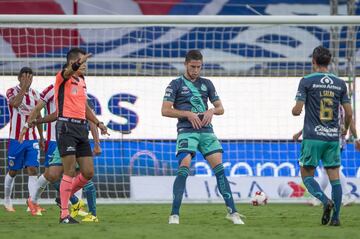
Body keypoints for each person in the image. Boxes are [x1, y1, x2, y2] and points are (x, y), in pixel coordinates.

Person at [161, 50, 244, 225]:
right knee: (184, 165)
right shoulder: (175, 84)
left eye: (199, 67)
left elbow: (221, 108)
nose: (196, 71)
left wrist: (212, 110)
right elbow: (165, 110)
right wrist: (187, 114)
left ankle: (232, 212)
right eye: (193, 67)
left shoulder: (207, 84)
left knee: (219, 168)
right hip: (186, 130)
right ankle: (174, 214)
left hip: (207, 131)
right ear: (185, 64)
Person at [292, 46, 352, 226]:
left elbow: (297, 110)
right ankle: (336, 218)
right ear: (329, 62)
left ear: (313, 61)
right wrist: (345, 130)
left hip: (312, 137)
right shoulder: (340, 83)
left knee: (306, 175)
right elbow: (349, 114)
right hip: (332, 138)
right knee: (334, 176)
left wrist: (295, 110)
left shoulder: (307, 81)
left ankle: (326, 202)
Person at [55, 47, 107, 224]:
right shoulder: (62, 77)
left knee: (88, 172)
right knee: (69, 170)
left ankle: (64, 195)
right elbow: (69, 71)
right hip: (66, 127)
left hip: (81, 129)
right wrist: (77, 63)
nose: (85, 66)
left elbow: (85, 108)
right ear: (72, 63)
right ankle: (64, 214)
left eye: (85, 62)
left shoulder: (82, 80)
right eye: (82, 62)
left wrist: (99, 123)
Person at [293, 106, 358, 206]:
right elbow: (351, 121)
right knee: (326, 170)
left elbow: (315, 122)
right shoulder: (343, 106)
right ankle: (321, 198)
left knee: (332, 169)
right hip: (337, 141)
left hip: (329, 140)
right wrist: (356, 139)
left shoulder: (329, 104)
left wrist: (299, 133)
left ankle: (347, 195)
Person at [3, 67, 44, 212]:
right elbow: (14, 103)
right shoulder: (11, 91)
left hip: (31, 138)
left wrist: (41, 137)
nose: (28, 80)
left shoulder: (36, 95)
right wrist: (23, 88)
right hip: (16, 139)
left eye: (31, 78)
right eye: (25, 77)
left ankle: (32, 202)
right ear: (19, 78)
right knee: (13, 171)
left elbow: (38, 116)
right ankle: (7, 200)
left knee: (33, 169)